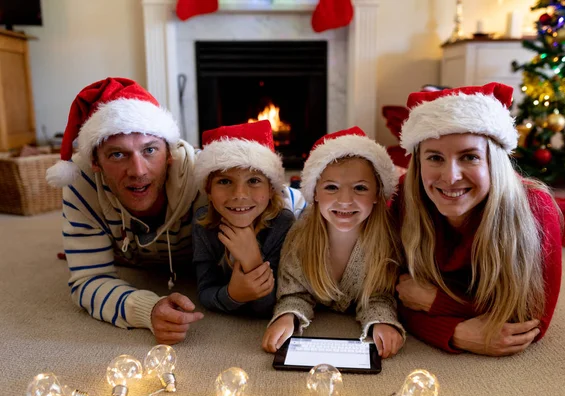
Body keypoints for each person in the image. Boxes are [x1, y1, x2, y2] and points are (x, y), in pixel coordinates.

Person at [45, 78, 306, 345]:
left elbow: (276, 197)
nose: (138, 171)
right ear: (95, 161)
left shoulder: (205, 178)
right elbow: (88, 279)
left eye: (149, 150)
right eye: (117, 155)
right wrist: (146, 310)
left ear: (170, 152)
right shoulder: (80, 183)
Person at [392, 82, 562, 356]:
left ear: (493, 162)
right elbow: (391, 294)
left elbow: (530, 321)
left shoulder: (535, 207)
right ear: (419, 162)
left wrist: (438, 304)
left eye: (469, 157)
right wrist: (455, 333)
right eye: (435, 158)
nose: (450, 177)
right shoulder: (405, 196)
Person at [262, 127, 406, 359]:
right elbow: (295, 293)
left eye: (360, 188)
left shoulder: (387, 238)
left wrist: (382, 320)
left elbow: (380, 294)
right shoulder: (300, 236)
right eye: (331, 187)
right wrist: (287, 316)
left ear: (377, 194)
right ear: (315, 192)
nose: (345, 201)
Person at [193, 120, 295, 317]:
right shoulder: (203, 222)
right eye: (224, 181)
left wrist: (252, 259)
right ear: (209, 191)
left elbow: (267, 306)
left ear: (271, 188)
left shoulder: (284, 223)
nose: (239, 194)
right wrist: (233, 295)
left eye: (254, 180)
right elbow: (205, 291)